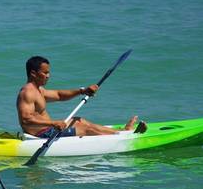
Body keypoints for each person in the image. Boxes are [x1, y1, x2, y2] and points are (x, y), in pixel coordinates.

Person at [16, 56, 146, 139]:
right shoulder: (27, 92)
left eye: (48, 72)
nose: (48, 76)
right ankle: (123, 137)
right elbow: (26, 119)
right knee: (86, 129)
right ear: (33, 73)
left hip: (49, 129)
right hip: (42, 135)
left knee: (79, 121)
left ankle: (122, 131)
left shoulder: (39, 90)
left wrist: (83, 91)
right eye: (45, 73)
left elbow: (59, 95)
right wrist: (53, 123)